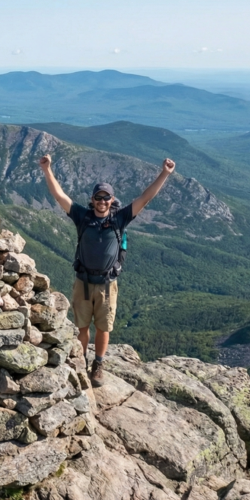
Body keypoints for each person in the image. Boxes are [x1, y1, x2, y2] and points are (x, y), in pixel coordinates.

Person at [37, 154, 176, 386]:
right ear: (92, 200)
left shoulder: (120, 218)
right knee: (82, 326)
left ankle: (98, 364)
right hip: (83, 282)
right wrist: (47, 170)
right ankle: (81, 361)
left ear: (112, 200)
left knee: (103, 328)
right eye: (98, 197)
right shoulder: (82, 216)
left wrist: (164, 173)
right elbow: (59, 195)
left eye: (106, 198)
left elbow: (145, 198)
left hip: (107, 284)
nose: (102, 201)